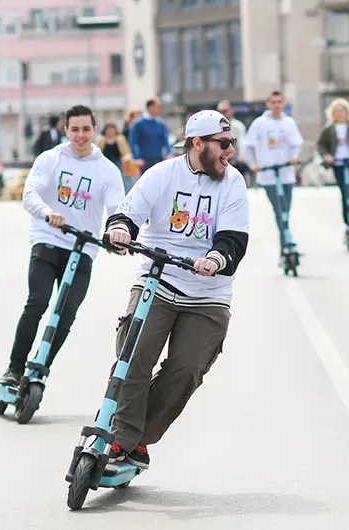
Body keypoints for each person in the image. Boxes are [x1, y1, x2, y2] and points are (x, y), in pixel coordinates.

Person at [102, 110, 249, 469]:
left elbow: (234, 239)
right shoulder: (162, 174)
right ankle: (122, 442)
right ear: (197, 143)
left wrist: (215, 259)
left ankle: (138, 437)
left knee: (186, 371)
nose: (230, 151)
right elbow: (128, 213)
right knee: (133, 360)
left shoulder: (232, 183)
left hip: (209, 294)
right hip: (158, 280)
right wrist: (121, 230)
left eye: (232, 143)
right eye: (224, 143)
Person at [0, 105, 126, 387]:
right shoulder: (50, 159)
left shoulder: (107, 170)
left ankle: (40, 368)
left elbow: (119, 210)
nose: (80, 136)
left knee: (66, 313)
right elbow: (29, 194)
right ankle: (14, 369)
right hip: (48, 240)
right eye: (75, 130)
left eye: (86, 129)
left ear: (95, 131)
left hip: (84, 248)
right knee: (38, 302)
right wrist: (47, 213)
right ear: (66, 130)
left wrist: (117, 233)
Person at [244, 90, 303, 258]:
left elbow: (296, 144)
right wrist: (253, 164)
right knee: (279, 210)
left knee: (286, 210)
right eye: (273, 102)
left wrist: (294, 158)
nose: (277, 105)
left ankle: (286, 244)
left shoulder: (289, 122)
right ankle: (286, 244)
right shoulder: (259, 123)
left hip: (286, 173)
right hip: (268, 174)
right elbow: (248, 145)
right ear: (268, 104)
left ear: (283, 104)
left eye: (279, 102)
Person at [316, 97, 349, 241]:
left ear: (348, 112)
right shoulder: (329, 129)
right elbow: (321, 145)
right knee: (345, 194)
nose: (340, 114)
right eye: (337, 112)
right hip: (338, 164)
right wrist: (327, 156)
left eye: (343, 111)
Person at [129, 98, 172, 176]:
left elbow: (165, 140)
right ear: (150, 107)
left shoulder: (161, 123)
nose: (159, 109)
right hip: (144, 161)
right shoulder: (138, 123)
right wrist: (136, 157)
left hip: (159, 159)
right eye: (157, 107)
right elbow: (133, 142)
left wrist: (169, 153)